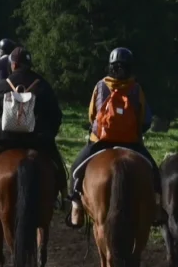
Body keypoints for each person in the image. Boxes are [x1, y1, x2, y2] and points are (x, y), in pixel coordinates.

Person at [0, 47, 64, 214]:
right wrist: (48, 134)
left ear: (13, 65)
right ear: (29, 64)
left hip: (4, 137)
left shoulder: (3, 84)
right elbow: (56, 115)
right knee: (58, 165)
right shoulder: (43, 84)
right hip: (36, 139)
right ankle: (60, 196)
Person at [69, 47, 162, 227]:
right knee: (154, 173)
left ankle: (76, 207)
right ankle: (157, 208)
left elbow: (91, 115)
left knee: (74, 171)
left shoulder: (100, 86)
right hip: (131, 143)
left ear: (110, 66)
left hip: (100, 142)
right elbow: (145, 119)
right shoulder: (136, 89)